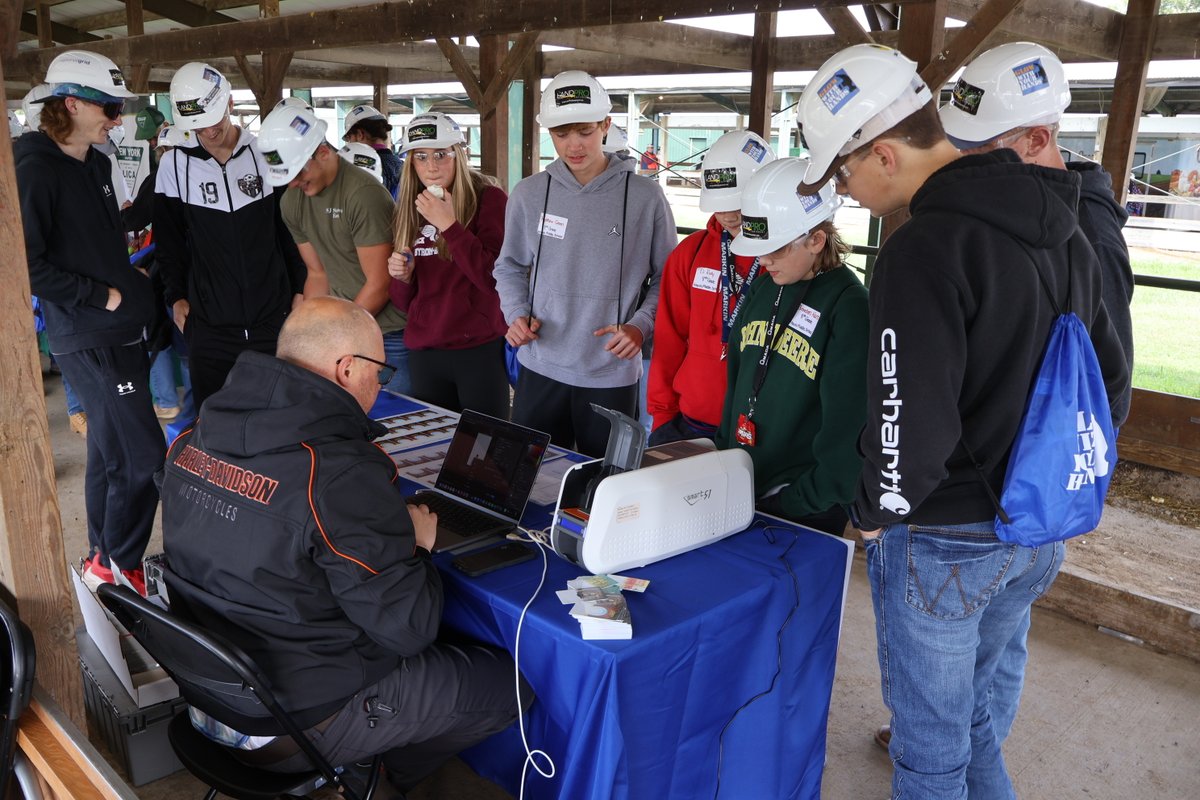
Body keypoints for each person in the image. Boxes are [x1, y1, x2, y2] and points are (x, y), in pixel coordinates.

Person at [794, 44, 1129, 799]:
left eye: (842, 174)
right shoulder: (1066, 224)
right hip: (1036, 528)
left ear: (884, 154)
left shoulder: (921, 247)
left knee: (929, 751)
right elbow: (1108, 378)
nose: (844, 193)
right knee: (973, 717)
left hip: (945, 539)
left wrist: (873, 510)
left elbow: (905, 416)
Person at [160, 296, 530, 794]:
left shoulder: (195, 435)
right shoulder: (336, 471)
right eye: (380, 372)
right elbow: (408, 628)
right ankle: (376, 779)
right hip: (294, 722)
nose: (381, 384)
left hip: (211, 695)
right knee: (509, 687)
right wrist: (417, 544)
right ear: (347, 368)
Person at [16, 50, 165, 593]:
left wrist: (129, 280)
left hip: (121, 329)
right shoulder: (33, 170)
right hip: (88, 333)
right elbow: (25, 264)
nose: (117, 120)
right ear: (71, 104)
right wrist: (100, 295)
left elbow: (100, 245)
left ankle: (103, 558)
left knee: (107, 452)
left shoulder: (97, 165)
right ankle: (119, 564)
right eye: (110, 108)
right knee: (142, 454)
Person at [939, 41, 1135, 423]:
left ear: (1036, 140)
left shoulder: (1090, 232)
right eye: (958, 142)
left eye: (979, 144)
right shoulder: (1006, 211)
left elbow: (1109, 394)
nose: (961, 157)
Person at [494, 70, 677, 456]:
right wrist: (515, 313)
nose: (574, 145)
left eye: (585, 131)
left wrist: (640, 326)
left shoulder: (646, 197)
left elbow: (668, 277)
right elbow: (509, 265)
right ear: (549, 132)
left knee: (604, 480)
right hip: (540, 365)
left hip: (611, 371)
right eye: (562, 133)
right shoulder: (529, 193)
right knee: (530, 474)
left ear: (606, 126)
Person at [716, 158, 868, 535]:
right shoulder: (766, 284)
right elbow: (736, 377)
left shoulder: (850, 306)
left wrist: (799, 499)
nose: (763, 260)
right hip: (742, 482)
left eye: (777, 249)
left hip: (802, 505)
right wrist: (723, 456)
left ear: (816, 240)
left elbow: (849, 426)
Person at [154, 62, 306, 409]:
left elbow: (289, 230)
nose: (209, 132)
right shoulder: (174, 165)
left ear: (230, 104)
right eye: (198, 126)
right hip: (210, 329)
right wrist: (176, 296)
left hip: (274, 321)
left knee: (280, 418)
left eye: (215, 120)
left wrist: (299, 288)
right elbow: (169, 242)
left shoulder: (265, 153)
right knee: (215, 423)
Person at [259, 103, 412, 397]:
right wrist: (312, 332)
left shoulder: (363, 194)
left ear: (323, 153)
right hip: (344, 332)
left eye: (298, 172)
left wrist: (336, 336)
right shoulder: (292, 201)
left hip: (387, 334)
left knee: (393, 417)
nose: (294, 183)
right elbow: (317, 273)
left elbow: (380, 283)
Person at [647, 129, 776, 445]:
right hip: (692, 422)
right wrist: (662, 417)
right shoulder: (690, 253)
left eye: (737, 203)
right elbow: (668, 339)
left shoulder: (785, 260)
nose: (729, 216)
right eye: (720, 204)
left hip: (762, 428)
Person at [387, 112, 510, 419]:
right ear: (411, 163)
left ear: (459, 154)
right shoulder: (410, 206)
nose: (432, 166)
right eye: (421, 157)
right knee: (436, 441)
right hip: (426, 350)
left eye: (441, 154)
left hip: (478, 349)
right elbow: (403, 303)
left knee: (485, 440)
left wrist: (450, 226)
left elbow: (493, 278)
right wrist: (402, 277)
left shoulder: (489, 199)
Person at [343, 103, 402, 197]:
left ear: (360, 134)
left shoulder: (363, 167)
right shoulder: (401, 165)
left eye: (349, 138)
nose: (349, 143)